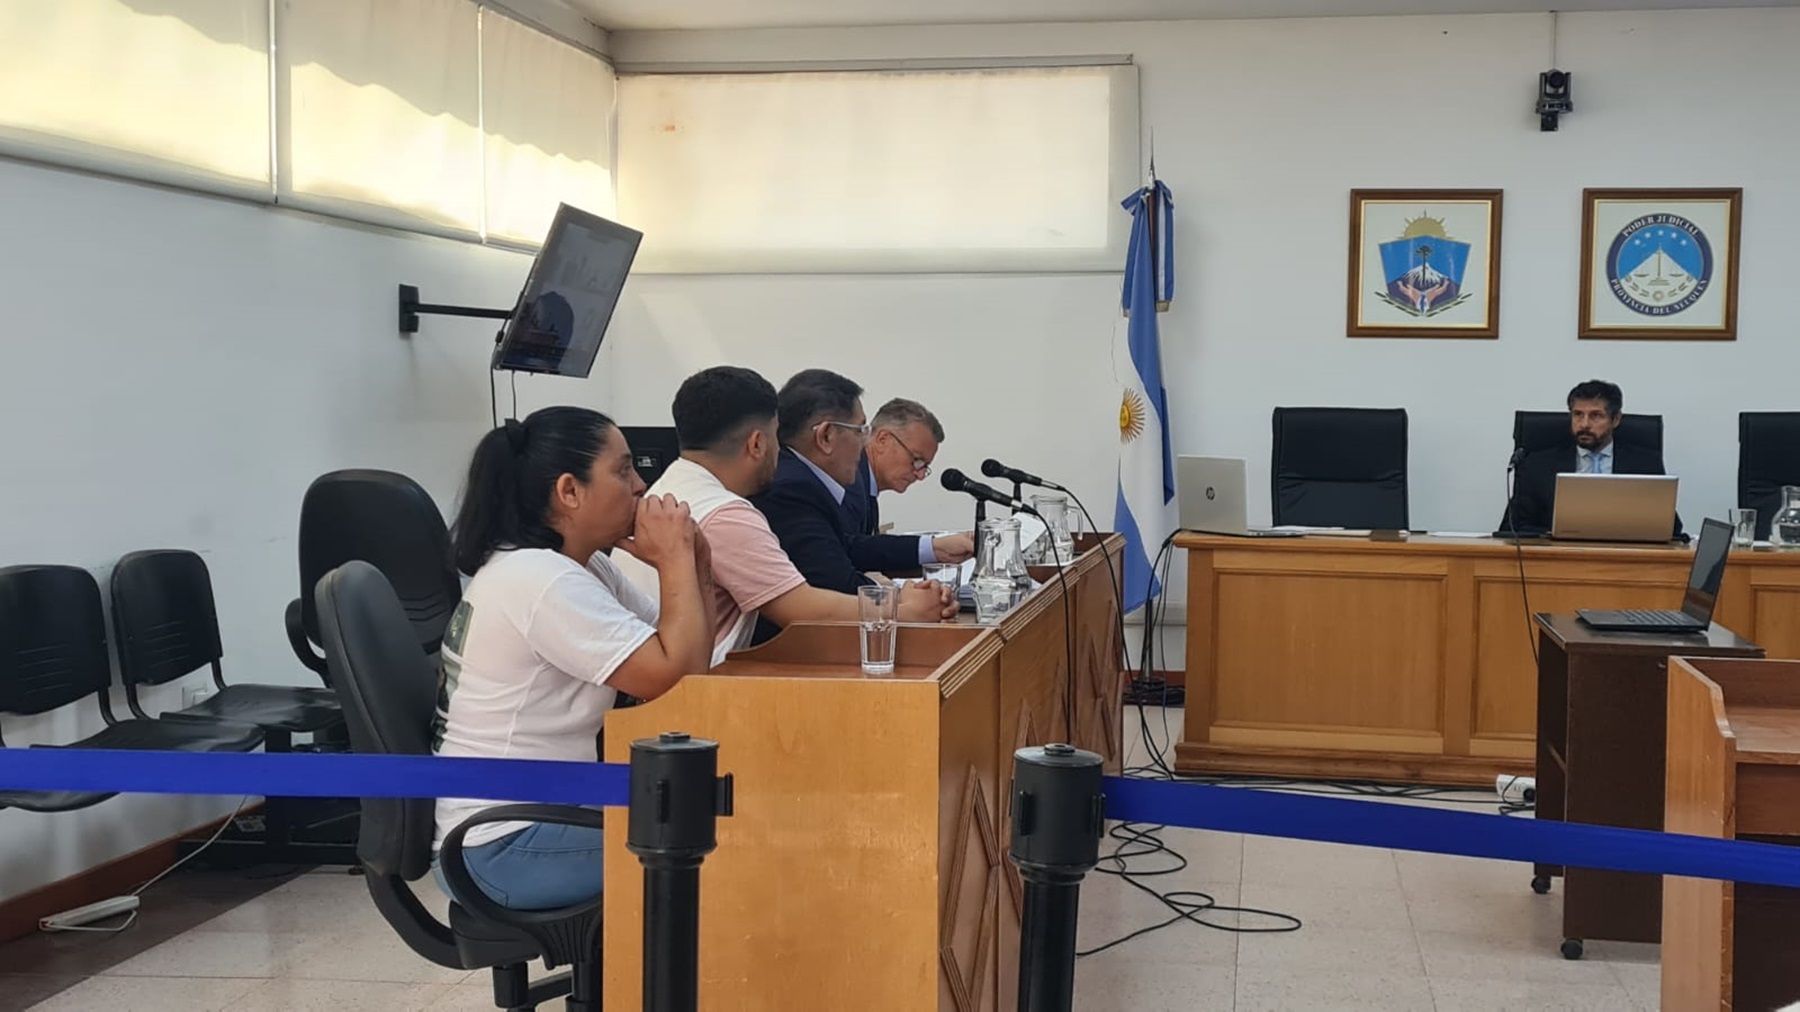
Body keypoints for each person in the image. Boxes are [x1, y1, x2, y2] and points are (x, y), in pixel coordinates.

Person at [432, 407, 714, 911]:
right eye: (623, 470)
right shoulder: (542, 580)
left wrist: (696, 563)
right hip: (503, 845)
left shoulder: (582, 568)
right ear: (569, 491)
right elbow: (672, 676)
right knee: (726, 846)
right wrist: (673, 560)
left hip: (535, 821)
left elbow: (688, 653)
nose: (641, 484)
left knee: (718, 823)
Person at [615, 366, 957, 661]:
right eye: (775, 437)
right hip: (685, 693)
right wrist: (903, 609)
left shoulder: (671, 485)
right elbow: (803, 609)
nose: (781, 450)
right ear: (757, 444)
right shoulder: (726, 513)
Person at [754, 372, 973, 594]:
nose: (864, 441)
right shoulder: (794, 488)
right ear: (826, 436)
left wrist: (935, 548)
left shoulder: (807, 480)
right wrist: (900, 595)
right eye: (860, 430)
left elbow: (847, 548)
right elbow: (834, 581)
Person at [1500, 379, 1681, 536]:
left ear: (1616, 420)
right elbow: (1513, 528)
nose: (1584, 424)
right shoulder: (1537, 465)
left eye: (1596, 416)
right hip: (1558, 556)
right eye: (1578, 414)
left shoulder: (1645, 464)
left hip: (1625, 556)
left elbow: (1671, 529)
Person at [841, 397, 974, 574]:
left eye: (925, 467)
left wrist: (938, 552)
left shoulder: (866, 485)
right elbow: (850, 551)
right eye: (917, 460)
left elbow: (868, 557)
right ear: (883, 440)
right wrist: (933, 547)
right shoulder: (847, 481)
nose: (920, 475)